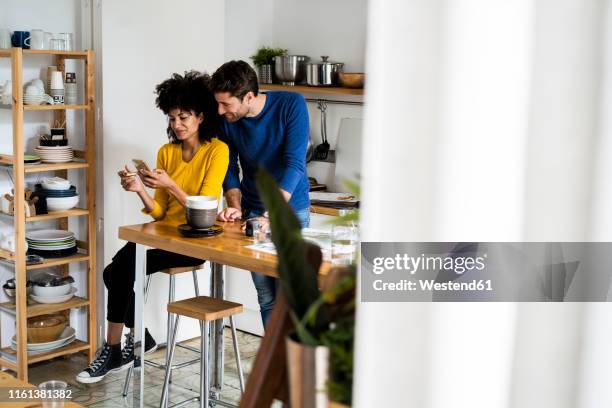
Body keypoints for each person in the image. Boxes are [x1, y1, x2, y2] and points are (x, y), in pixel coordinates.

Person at [76, 71, 229, 384]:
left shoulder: (217, 151)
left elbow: (206, 210)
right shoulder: (167, 151)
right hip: (165, 235)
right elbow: (160, 213)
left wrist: (171, 183)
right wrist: (140, 189)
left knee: (116, 273)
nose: (177, 125)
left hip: (193, 241)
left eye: (184, 117)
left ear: (201, 117)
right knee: (112, 273)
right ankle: (136, 338)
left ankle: (115, 347)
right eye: (172, 118)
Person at [210, 60, 310, 327]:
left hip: (291, 211)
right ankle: (272, 365)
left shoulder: (291, 105)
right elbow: (229, 166)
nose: (220, 111)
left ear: (250, 96)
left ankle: (293, 365)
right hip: (253, 211)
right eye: (218, 103)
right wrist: (235, 205)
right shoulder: (229, 120)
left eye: (226, 104)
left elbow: (295, 164)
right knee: (267, 297)